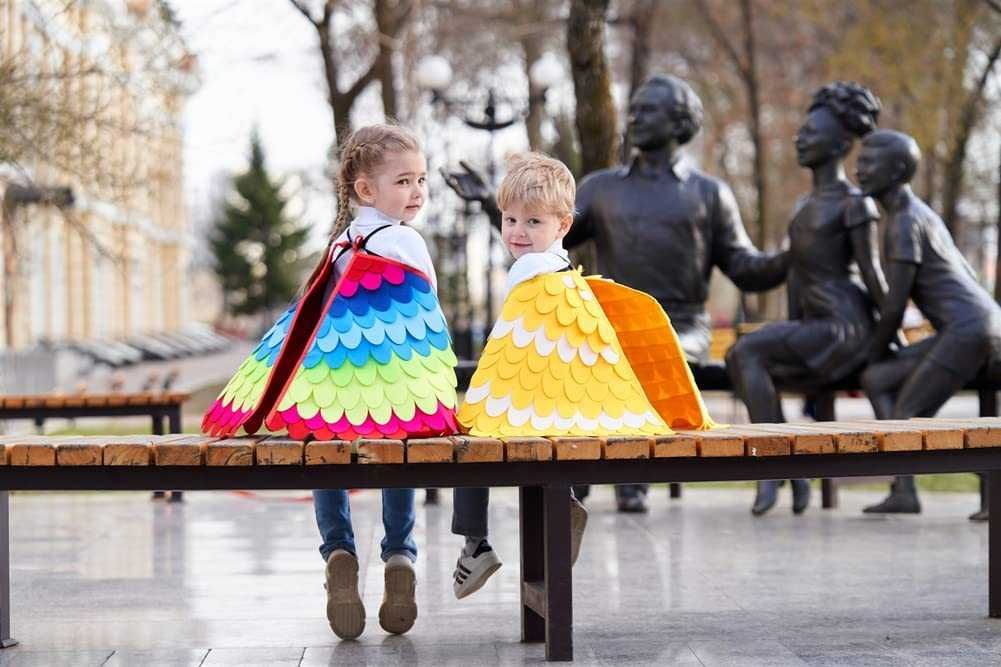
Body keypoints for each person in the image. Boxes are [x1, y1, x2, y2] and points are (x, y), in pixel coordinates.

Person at [445, 75, 786, 513]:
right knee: (571, 352)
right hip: (606, 319)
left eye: (650, 109)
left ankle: (623, 480)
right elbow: (542, 235)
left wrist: (793, 255)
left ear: (680, 122)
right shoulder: (603, 188)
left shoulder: (709, 193)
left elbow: (744, 267)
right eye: (635, 107)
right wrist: (492, 206)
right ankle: (570, 478)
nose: (635, 116)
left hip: (679, 326)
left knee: (627, 353)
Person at [203, 124, 459, 639]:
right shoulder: (406, 241)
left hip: (335, 381)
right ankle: (399, 554)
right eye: (403, 181)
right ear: (366, 189)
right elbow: (425, 313)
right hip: (394, 385)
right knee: (399, 452)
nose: (416, 192)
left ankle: (339, 549)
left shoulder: (342, 243)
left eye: (421, 180)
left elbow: (315, 318)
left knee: (321, 447)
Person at [452, 152, 715, 598]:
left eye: (533, 222)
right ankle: (565, 500)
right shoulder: (568, 279)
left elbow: (506, 359)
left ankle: (474, 542)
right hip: (566, 405)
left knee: (470, 429)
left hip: (539, 406)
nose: (517, 232)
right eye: (510, 219)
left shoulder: (530, 279)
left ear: (562, 226)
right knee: (540, 427)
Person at [726, 81, 887, 516]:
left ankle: (775, 471)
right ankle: (790, 472)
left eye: (810, 132)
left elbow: (873, 275)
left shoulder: (857, 205)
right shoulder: (801, 205)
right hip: (814, 325)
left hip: (844, 327)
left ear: (839, 144)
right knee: (752, 358)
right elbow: (795, 275)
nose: (800, 138)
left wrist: (889, 339)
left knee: (745, 353)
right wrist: (793, 325)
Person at [856, 129, 1001, 514]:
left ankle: (994, 480)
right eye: (859, 161)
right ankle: (904, 488)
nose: (859, 170)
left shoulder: (905, 222)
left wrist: (872, 350)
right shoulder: (919, 214)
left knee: (907, 415)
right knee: (879, 380)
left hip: (970, 330)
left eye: (869, 163)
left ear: (898, 170)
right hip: (977, 325)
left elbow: (894, 306)